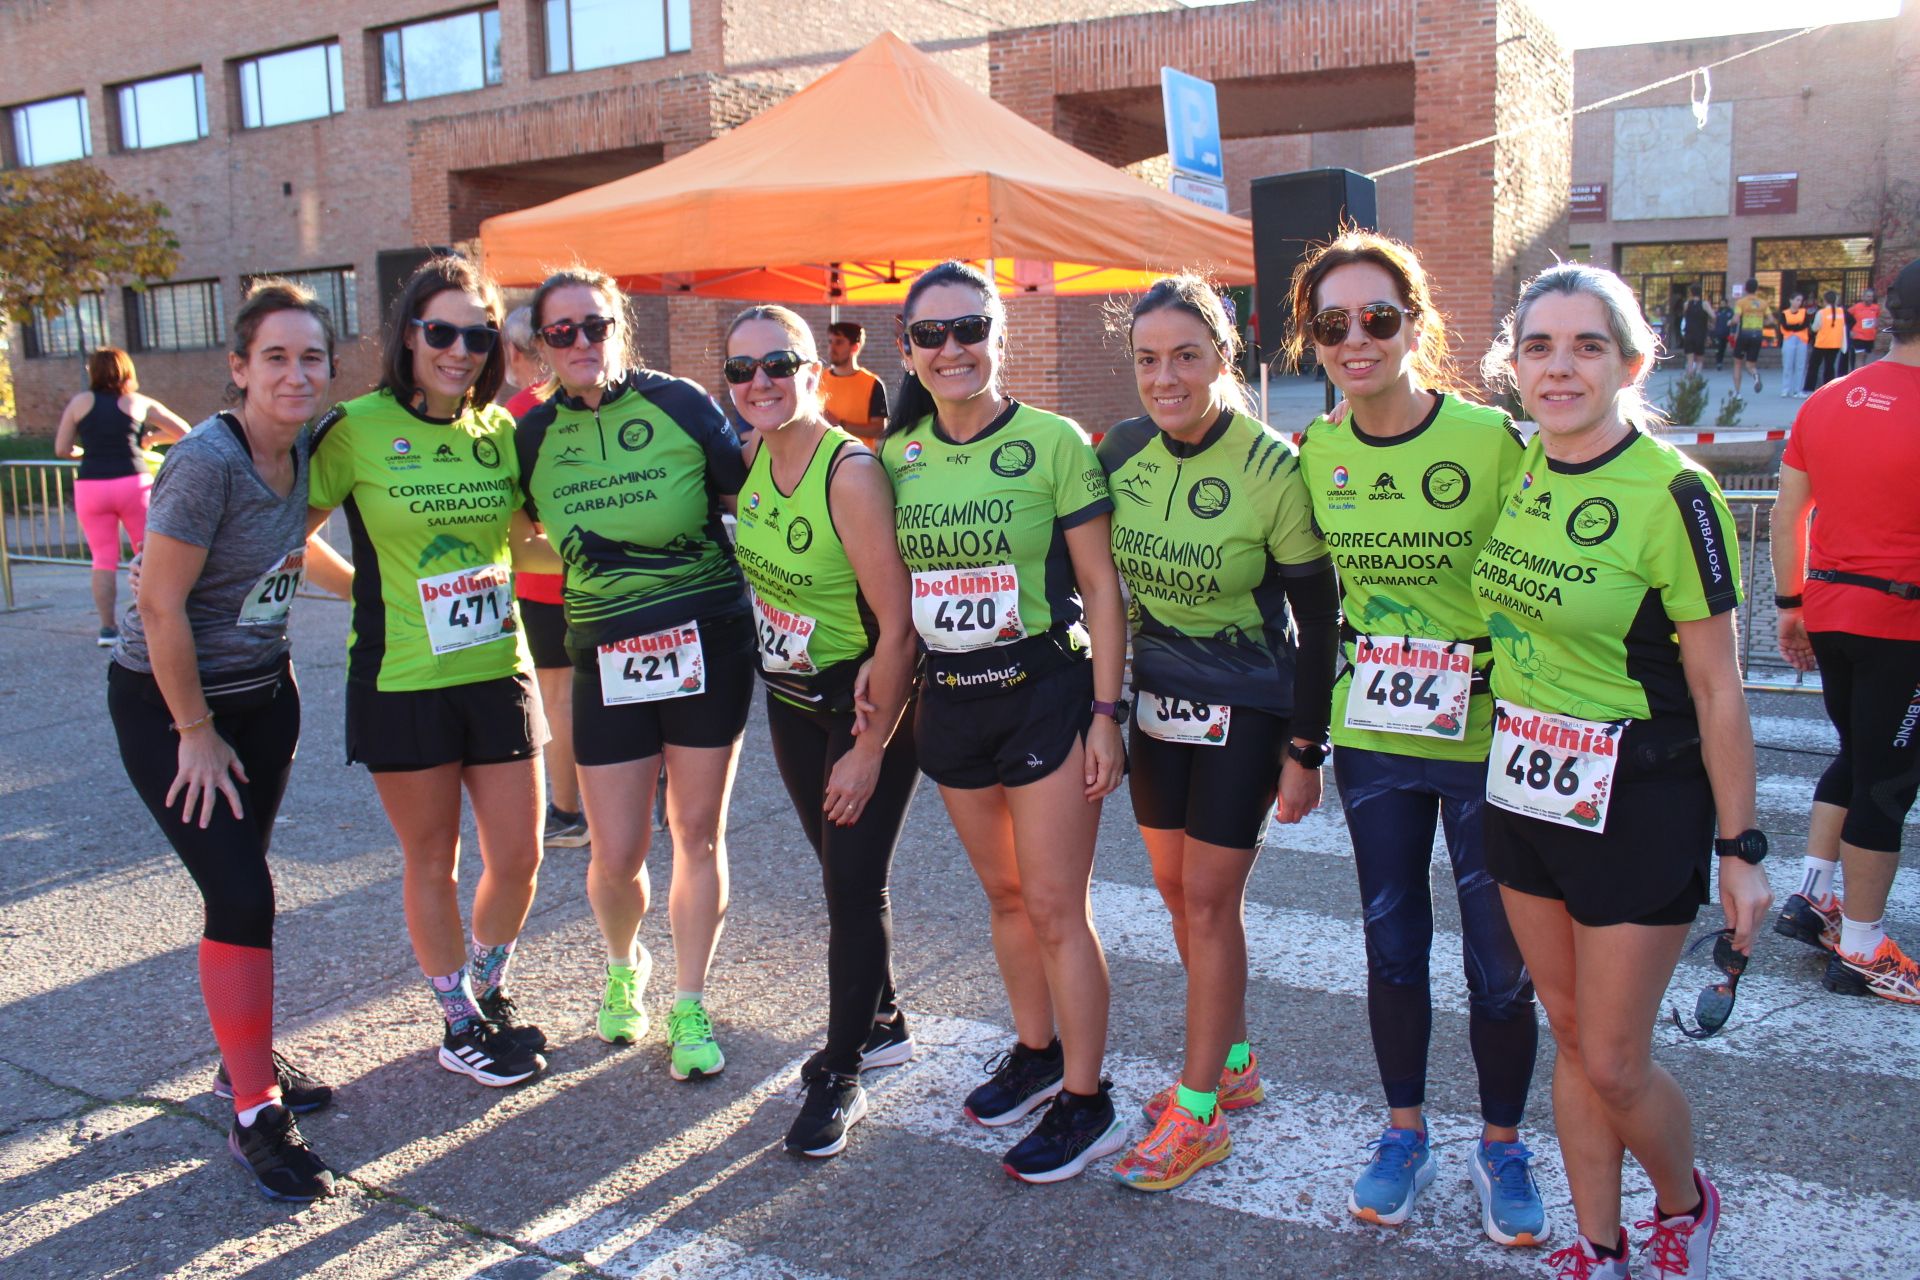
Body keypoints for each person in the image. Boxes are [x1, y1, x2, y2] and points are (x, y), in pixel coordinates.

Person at [1473, 263, 1770, 1280]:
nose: (1560, 367)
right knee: (1565, 1028)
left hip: (1641, 797)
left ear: (1632, 361)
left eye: (1587, 345)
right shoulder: (1520, 465)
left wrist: (1742, 848)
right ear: (1516, 367)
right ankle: (1595, 1242)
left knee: (1613, 1056)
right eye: (1540, 346)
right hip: (1524, 788)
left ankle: (1685, 1199)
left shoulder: (1673, 494)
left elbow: (1722, 688)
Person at [1287, 232, 1547, 1245]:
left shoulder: (1490, 440)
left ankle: (1502, 1140)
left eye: (1379, 318)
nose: (1357, 339)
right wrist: (1301, 745)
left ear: (1417, 325)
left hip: (1487, 739)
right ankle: (1405, 1132)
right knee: (1394, 946)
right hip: (1379, 738)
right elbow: (1308, 612)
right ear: (1313, 341)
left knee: (1499, 961)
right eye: (1333, 323)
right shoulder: (1317, 451)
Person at [879, 260, 1128, 1183]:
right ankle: (1035, 1051)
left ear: (998, 335)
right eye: (932, 335)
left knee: (1060, 906)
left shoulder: (1055, 441)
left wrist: (1108, 711)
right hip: (951, 701)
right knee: (1007, 897)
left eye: (970, 328)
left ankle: (1086, 1096)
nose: (954, 349)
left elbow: (1102, 587)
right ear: (906, 348)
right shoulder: (897, 456)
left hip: (1043, 693)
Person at [106, 279, 351, 1200]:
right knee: (243, 895)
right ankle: (254, 1112)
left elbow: (292, 548)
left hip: (264, 700)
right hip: (172, 708)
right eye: (276, 357)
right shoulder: (209, 461)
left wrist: (369, 591)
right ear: (239, 369)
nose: (296, 373)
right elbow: (157, 602)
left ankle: (236, 1063)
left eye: (311, 357)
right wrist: (193, 732)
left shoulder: (309, 451)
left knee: (240, 885)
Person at [1097, 276, 1338, 1192]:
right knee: (1171, 889)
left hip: (1249, 707)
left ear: (1224, 360)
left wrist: (1307, 748)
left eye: (1186, 356)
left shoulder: (1273, 465)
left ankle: (1198, 1113)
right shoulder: (1122, 450)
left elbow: (1320, 620)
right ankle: (1231, 1062)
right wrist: (1105, 710)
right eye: (1149, 359)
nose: (1166, 377)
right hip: (1161, 705)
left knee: (1207, 901)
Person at [308, 255, 550, 1088]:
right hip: (402, 676)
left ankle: (485, 988)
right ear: (408, 334)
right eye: (440, 332)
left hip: (498, 666)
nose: (459, 350)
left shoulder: (499, 432)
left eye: (476, 335)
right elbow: (289, 530)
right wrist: (358, 591)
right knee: (433, 860)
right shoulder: (356, 427)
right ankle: (457, 1022)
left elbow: (522, 537)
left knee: (519, 856)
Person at [515, 266, 752, 1080]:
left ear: (620, 326)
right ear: (543, 347)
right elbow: (517, 534)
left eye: (596, 324)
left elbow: (752, 497)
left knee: (695, 833)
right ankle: (625, 967)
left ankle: (690, 999)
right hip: (604, 654)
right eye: (562, 331)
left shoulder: (681, 403)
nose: (583, 342)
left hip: (708, 647)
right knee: (614, 851)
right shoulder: (533, 436)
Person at [724, 304, 920, 1156]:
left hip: (860, 705)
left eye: (778, 363)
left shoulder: (850, 474)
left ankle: (841, 1071)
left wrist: (871, 747)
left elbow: (899, 625)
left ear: (815, 370)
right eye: (741, 370)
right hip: (790, 699)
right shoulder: (751, 454)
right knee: (835, 866)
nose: (759, 382)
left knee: (853, 885)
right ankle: (882, 1018)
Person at [1771, 256, 1920, 1005]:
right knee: (1888, 782)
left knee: (1857, 756)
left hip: (1830, 609)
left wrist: (1789, 604)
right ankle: (1862, 947)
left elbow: (1786, 512)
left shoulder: (1828, 398)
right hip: (1905, 621)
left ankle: (1813, 895)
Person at [501, 306, 587, 849]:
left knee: (557, 697)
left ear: (514, 353)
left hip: (543, 578)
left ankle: (567, 811)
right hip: (595, 574)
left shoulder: (514, 412)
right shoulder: (584, 403)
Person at [53, 348, 191, 644]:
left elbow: (62, 448)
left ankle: (107, 630)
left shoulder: (80, 403)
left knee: (102, 558)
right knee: (149, 553)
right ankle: (150, 621)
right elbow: (185, 431)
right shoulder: (138, 402)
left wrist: (86, 453)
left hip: (92, 484)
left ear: (93, 372)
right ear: (128, 371)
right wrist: (152, 438)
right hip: (134, 482)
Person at [819, 321, 890, 444]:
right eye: (830, 342)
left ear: (855, 347)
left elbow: (879, 429)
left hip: (860, 456)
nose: (831, 348)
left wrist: (840, 424)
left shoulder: (872, 383)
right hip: (823, 455)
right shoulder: (818, 379)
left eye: (839, 342)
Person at [1730, 280, 1770, 396]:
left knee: (1737, 363)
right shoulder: (1763, 303)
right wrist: (1761, 322)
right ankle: (1755, 375)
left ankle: (1737, 393)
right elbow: (1771, 320)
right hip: (1757, 334)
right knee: (1750, 364)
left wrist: (1730, 322)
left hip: (1744, 334)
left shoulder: (1741, 302)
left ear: (1746, 289)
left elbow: (1736, 319)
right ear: (1756, 289)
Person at [1809, 290, 1847, 391]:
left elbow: (1815, 328)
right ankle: (1828, 388)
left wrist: (1810, 326)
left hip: (1821, 343)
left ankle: (1809, 388)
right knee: (1830, 367)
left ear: (1825, 300)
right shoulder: (1841, 312)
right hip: (1835, 343)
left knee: (1814, 366)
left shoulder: (1821, 312)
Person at [1777, 293, 1810, 400]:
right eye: (1797, 300)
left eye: (1800, 300)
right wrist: (1796, 326)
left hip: (1802, 340)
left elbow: (1805, 324)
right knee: (1788, 365)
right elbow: (1785, 326)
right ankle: (1785, 389)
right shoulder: (1784, 313)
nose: (1798, 302)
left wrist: (1793, 327)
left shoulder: (1804, 312)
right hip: (1789, 340)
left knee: (1800, 366)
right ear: (1791, 300)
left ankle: (1797, 390)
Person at [1842, 286, 1880, 373]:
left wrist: (1876, 325)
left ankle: (1863, 374)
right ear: (1863, 297)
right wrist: (1850, 330)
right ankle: (1857, 375)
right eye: (1868, 296)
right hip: (1859, 336)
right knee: (1860, 356)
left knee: (1866, 356)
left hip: (1870, 337)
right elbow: (1845, 316)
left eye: (1872, 297)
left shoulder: (1876, 307)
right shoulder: (1856, 307)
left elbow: (1877, 318)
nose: (1870, 298)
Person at [1678, 286, 1711, 376]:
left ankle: (1690, 375)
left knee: (1690, 358)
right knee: (1700, 357)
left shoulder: (1687, 304)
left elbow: (1684, 316)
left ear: (1691, 293)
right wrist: (1710, 323)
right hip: (1700, 333)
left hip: (1689, 333)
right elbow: (1713, 315)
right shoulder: (1705, 304)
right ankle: (1698, 375)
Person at [1710, 299, 1732, 372]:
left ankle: (1722, 361)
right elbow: (1713, 320)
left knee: (1723, 347)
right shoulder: (1718, 312)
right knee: (1718, 348)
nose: (1722, 305)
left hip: (1726, 332)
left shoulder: (1730, 311)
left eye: (1723, 303)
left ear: (1726, 304)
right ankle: (1718, 362)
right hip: (1718, 333)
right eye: (1721, 303)